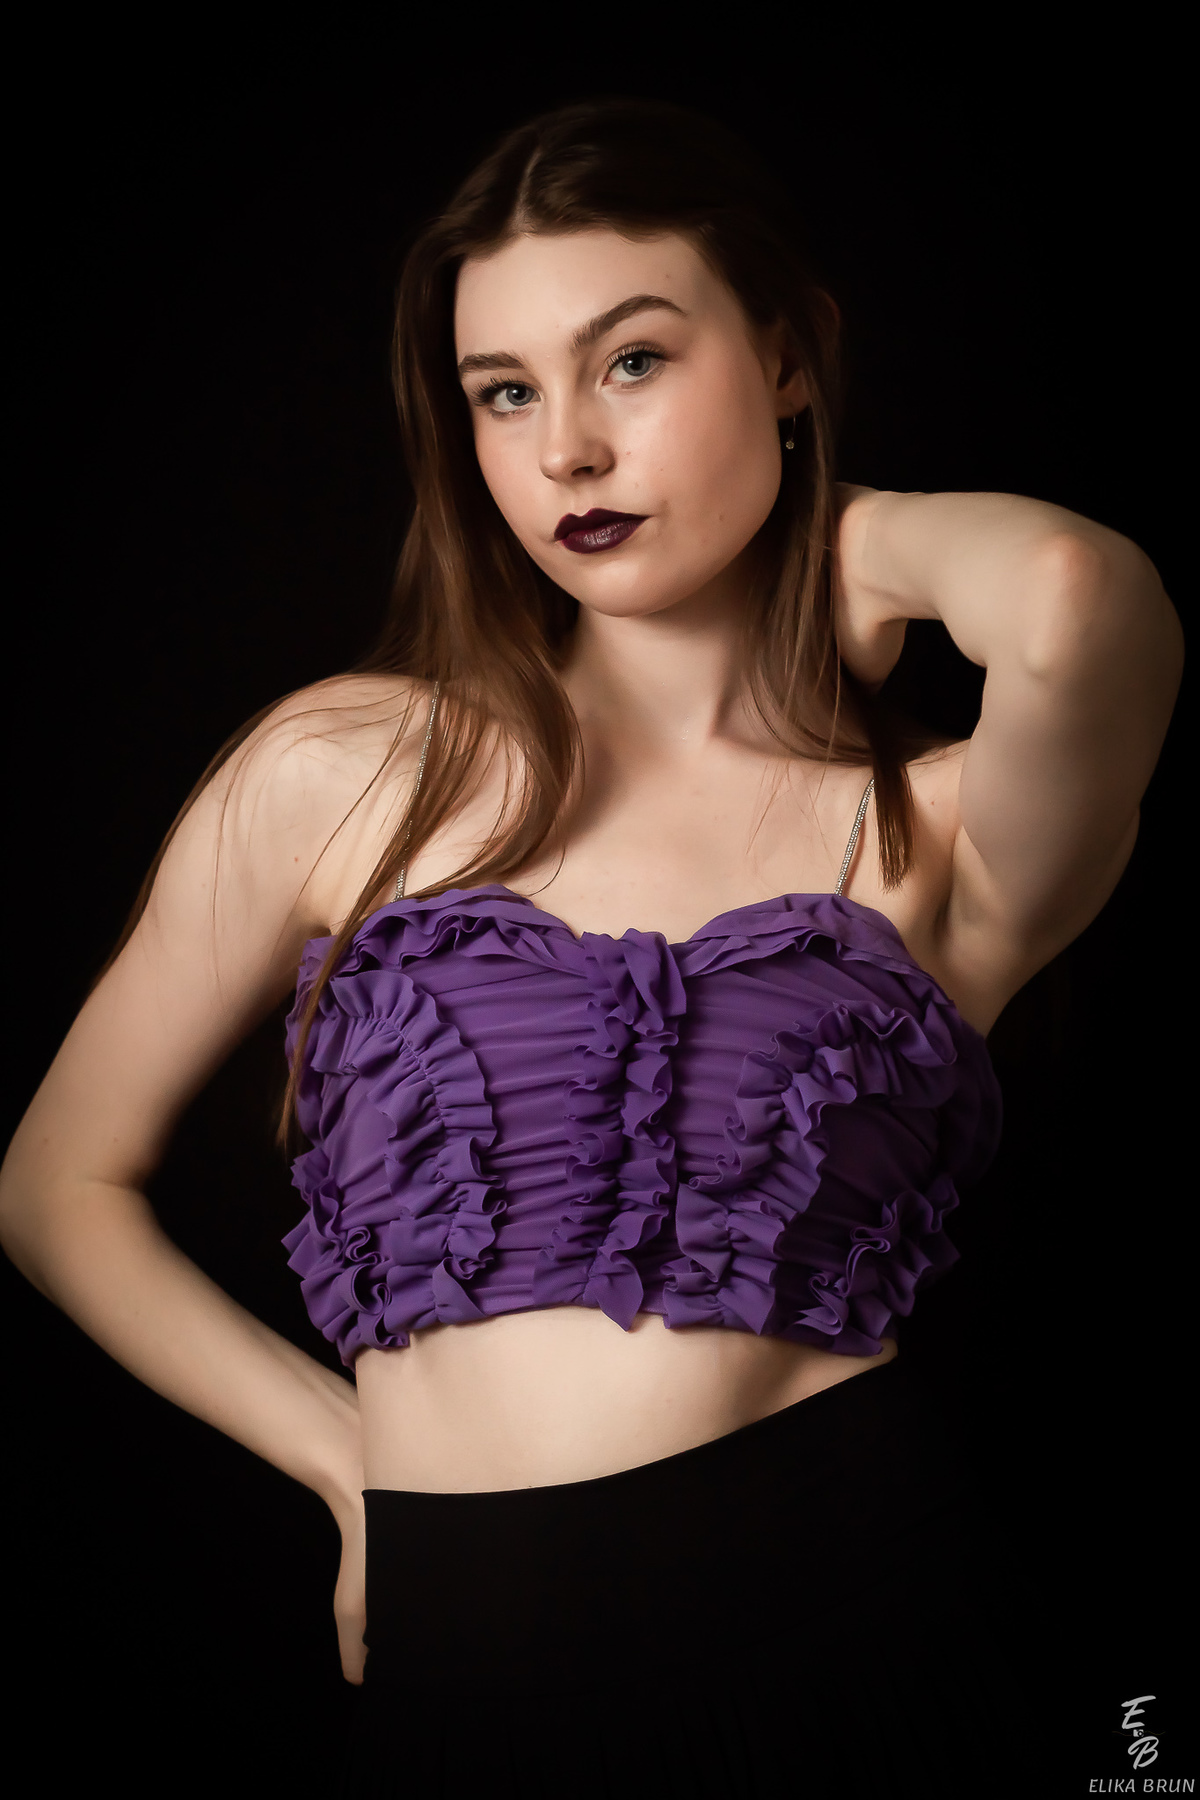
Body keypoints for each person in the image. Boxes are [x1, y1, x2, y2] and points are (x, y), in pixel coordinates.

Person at [0, 97, 1182, 1798]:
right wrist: (340, 1462)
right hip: (460, 1687)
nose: (565, 450)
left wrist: (852, 540)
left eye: (631, 362)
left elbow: (1078, 594)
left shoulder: (942, 828)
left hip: (863, 1640)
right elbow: (57, 1185)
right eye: (504, 392)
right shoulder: (344, 769)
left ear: (788, 357)